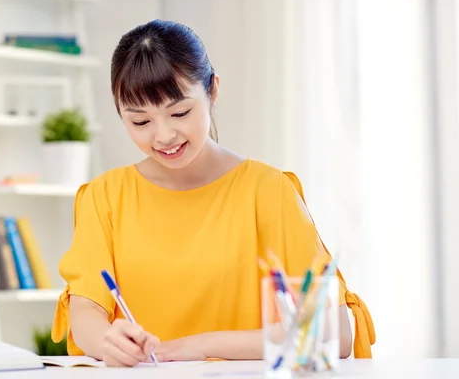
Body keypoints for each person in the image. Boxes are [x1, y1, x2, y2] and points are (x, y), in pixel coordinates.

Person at [51, 19, 376, 367]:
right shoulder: (105, 197)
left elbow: (333, 331)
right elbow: (85, 314)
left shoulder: (268, 191)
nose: (163, 136)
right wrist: (107, 340)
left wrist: (199, 346)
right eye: (140, 122)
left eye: (180, 112)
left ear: (213, 90)